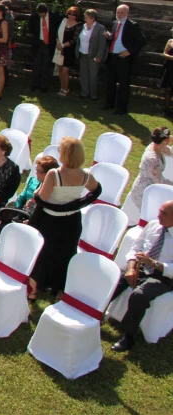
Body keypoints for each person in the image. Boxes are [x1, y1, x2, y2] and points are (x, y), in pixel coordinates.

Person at [28, 137, 102, 297]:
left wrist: (36, 194)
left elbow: (43, 198)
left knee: (43, 252)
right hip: (72, 221)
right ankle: (58, 285)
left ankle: (35, 287)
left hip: (50, 221)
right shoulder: (86, 175)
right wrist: (79, 203)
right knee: (64, 253)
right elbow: (97, 190)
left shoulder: (54, 174)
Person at [109, 199, 173, 352]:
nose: (159, 216)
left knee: (139, 295)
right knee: (113, 280)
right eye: (159, 211)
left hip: (164, 276)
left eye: (164, 213)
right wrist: (131, 267)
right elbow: (136, 247)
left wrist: (155, 264)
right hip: (141, 266)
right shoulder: (153, 225)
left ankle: (128, 336)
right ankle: (95, 315)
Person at [122, 127, 173, 224]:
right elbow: (160, 181)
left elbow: (171, 152)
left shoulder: (159, 146)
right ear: (166, 140)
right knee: (135, 220)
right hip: (144, 191)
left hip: (151, 187)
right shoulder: (152, 159)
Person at [104, 4, 147, 115]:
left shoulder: (132, 25)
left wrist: (130, 51)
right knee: (110, 82)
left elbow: (142, 40)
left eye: (122, 12)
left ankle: (121, 109)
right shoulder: (114, 23)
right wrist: (108, 37)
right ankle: (109, 104)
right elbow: (114, 39)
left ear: (127, 13)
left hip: (123, 58)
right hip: (112, 56)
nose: (119, 14)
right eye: (118, 12)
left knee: (123, 84)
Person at [75, 8, 107, 100]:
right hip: (83, 54)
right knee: (84, 74)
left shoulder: (100, 28)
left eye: (86, 17)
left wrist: (99, 56)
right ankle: (84, 93)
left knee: (93, 75)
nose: (85, 19)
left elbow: (102, 44)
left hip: (93, 55)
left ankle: (93, 95)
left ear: (92, 18)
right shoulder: (83, 26)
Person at [28, 3, 59, 93]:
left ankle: (43, 85)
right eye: (39, 14)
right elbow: (31, 29)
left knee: (46, 65)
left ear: (46, 12)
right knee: (36, 65)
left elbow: (56, 30)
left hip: (48, 44)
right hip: (38, 44)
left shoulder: (54, 18)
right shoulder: (34, 18)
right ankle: (34, 84)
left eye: (43, 14)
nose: (41, 15)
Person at [55, 6, 80, 96]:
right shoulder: (63, 21)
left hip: (69, 51)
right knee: (60, 70)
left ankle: (66, 89)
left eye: (73, 15)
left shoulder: (77, 26)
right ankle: (61, 87)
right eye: (69, 14)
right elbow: (57, 33)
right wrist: (58, 43)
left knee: (65, 71)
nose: (71, 16)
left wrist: (63, 45)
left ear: (76, 16)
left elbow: (74, 40)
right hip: (59, 49)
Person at [162, 29, 173, 117]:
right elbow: (164, 54)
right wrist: (171, 57)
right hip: (170, 68)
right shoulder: (170, 41)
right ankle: (166, 109)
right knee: (168, 89)